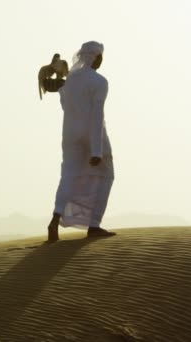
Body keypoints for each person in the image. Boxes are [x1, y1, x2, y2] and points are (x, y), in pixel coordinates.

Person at [47, 41, 116, 242]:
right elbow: (97, 114)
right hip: (92, 134)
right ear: (95, 57)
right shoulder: (99, 81)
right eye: (100, 56)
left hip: (70, 134)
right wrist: (96, 150)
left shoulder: (70, 80)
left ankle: (55, 220)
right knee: (106, 175)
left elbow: (64, 104)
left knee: (68, 175)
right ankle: (94, 225)